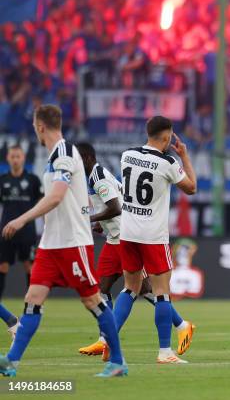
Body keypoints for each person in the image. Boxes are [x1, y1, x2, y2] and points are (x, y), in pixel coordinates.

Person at [0, 104, 126, 377]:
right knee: (32, 298)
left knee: (92, 301)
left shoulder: (66, 154)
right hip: (50, 243)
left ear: (40, 126)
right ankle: (11, 361)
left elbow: (56, 196)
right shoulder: (53, 156)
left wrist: (22, 219)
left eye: (34, 125)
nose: (34, 129)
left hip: (72, 242)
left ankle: (117, 361)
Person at [74, 142, 195, 359]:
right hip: (115, 236)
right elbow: (117, 200)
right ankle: (179, 326)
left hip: (125, 234)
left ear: (86, 158)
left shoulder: (98, 177)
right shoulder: (94, 176)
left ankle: (178, 327)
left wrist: (88, 218)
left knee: (141, 288)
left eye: (76, 158)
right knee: (109, 286)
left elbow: (115, 206)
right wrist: (101, 223)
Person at [112, 116, 197, 364]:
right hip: (152, 237)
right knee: (162, 293)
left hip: (127, 233)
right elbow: (191, 188)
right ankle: (165, 352)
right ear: (167, 137)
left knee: (130, 288)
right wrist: (185, 157)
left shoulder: (126, 155)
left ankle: (109, 341)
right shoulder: (168, 162)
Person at [0, 145, 43, 339]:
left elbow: (43, 204)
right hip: (6, 231)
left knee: (29, 267)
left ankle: (31, 308)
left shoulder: (33, 180)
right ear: (8, 158)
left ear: (23, 158)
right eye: (12, 156)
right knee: (2, 267)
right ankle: (7, 314)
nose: (15, 159)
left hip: (27, 231)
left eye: (18, 156)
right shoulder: (3, 180)